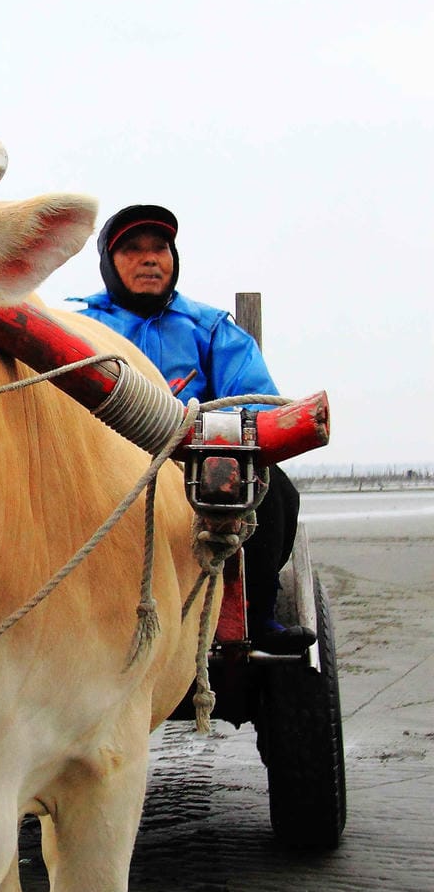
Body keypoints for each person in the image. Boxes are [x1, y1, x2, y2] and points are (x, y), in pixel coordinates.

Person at [71, 203, 314, 655]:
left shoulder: (210, 328)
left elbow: (255, 399)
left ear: (173, 257)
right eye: (132, 249)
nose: (149, 258)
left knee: (274, 488)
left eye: (159, 248)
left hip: (197, 469)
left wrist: (205, 431)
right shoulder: (79, 327)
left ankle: (255, 618)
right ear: (108, 260)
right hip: (100, 466)